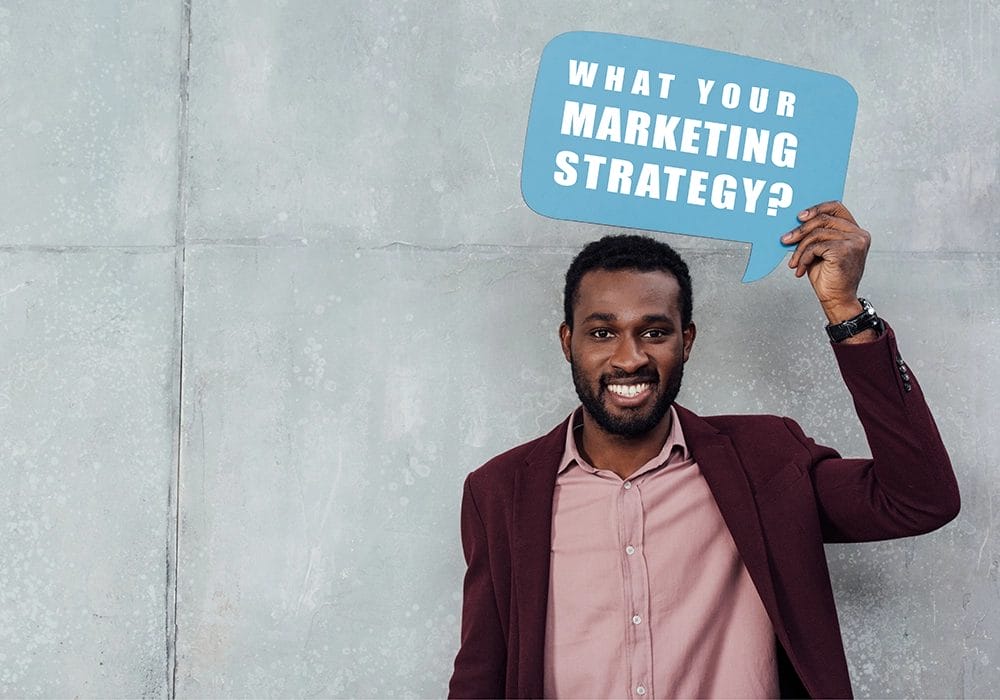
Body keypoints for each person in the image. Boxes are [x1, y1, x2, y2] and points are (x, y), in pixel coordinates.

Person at [447, 202, 960, 699]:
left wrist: (845, 312)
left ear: (686, 341)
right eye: (603, 333)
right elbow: (480, 677)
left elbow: (918, 499)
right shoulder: (500, 491)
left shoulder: (766, 461)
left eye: (655, 332)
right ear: (568, 342)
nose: (630, 358)